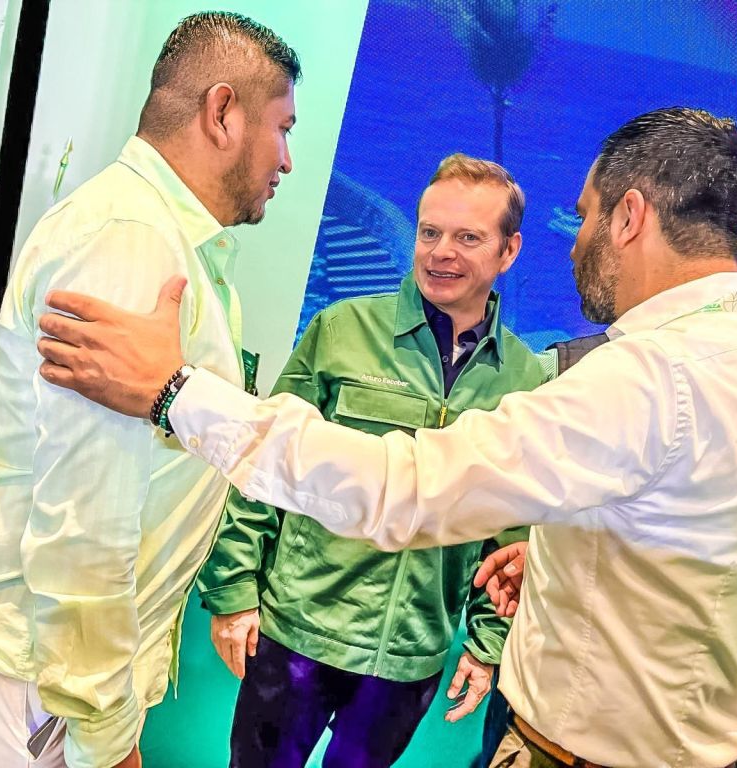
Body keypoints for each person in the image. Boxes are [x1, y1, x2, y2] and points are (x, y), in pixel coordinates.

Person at [36, 107, 737, 768]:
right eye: (431, 231)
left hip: (539, 730)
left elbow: (401, 489)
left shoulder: (635, 378)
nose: (576, 243)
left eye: (585, 217)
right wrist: (560, 560)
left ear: (630, 216)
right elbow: (723, 545)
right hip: (702, 745)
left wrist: (175, 392)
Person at [0, 12, 299, 768]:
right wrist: (104, 733)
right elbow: (82, 526)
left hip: (48, 680)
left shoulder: (161, 237)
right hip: (41, 684)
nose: (286, 160)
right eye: (283, 129)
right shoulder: (131, 241)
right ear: (222, 112)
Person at [199, 154, 542, 768]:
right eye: (429, 232)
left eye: (467, 238)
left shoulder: (525, 379)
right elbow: (263, 465)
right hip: (299, 630)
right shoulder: (340, 330)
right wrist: (232, 591)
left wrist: (486, 644)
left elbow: (511, 530)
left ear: (508, 251)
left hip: (410, 658)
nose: (440, 252)